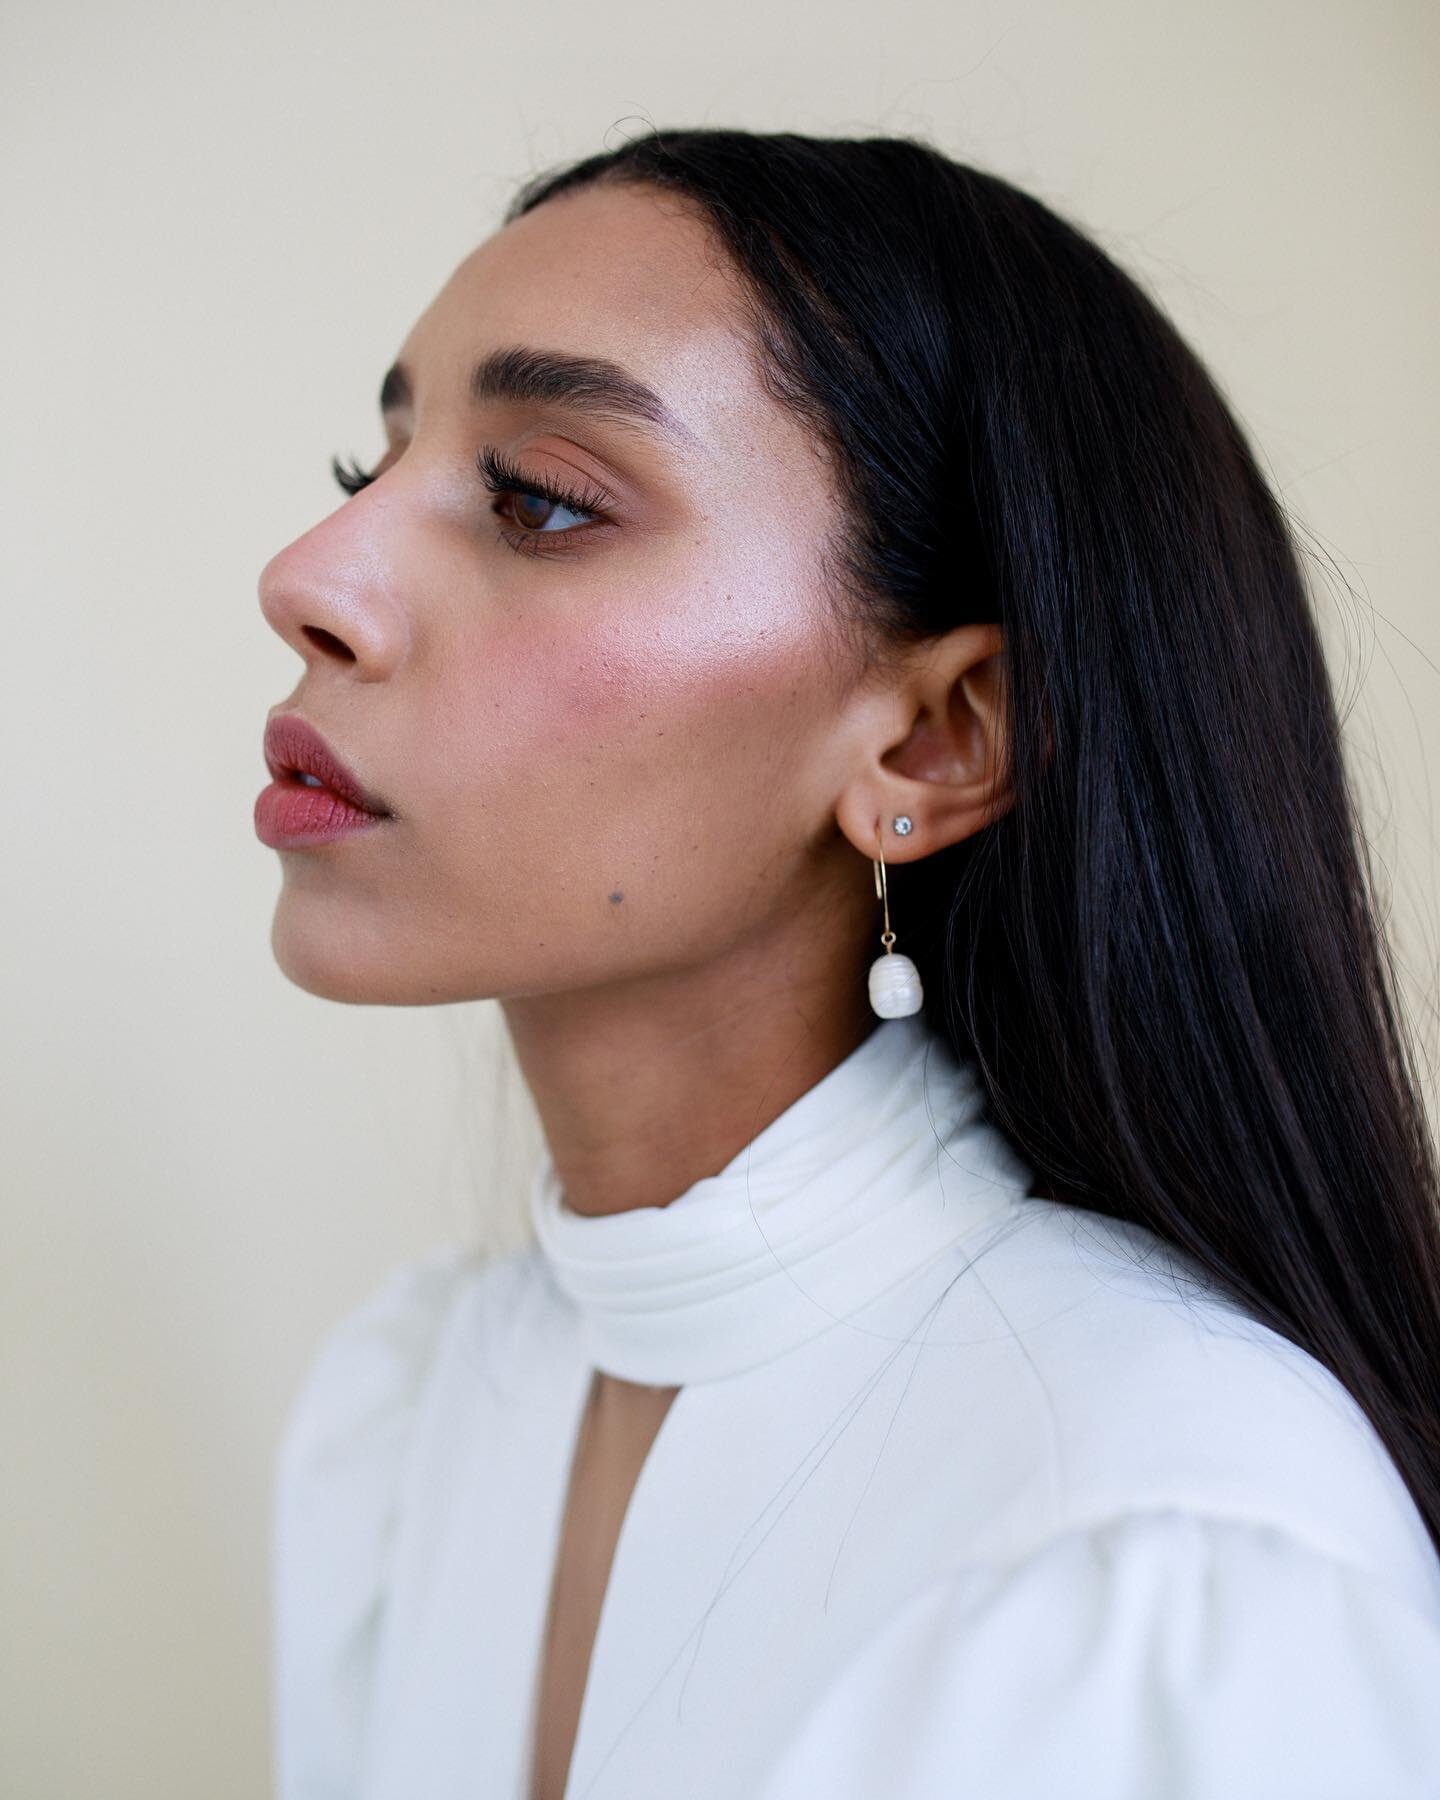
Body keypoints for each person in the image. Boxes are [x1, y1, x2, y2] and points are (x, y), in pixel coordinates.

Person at [255, 128, 1440, 1800]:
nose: (309, 579)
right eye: (361, 475)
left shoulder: (1165, 1555)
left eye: (537, 502)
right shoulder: (409, 1414)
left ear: (935, 741)